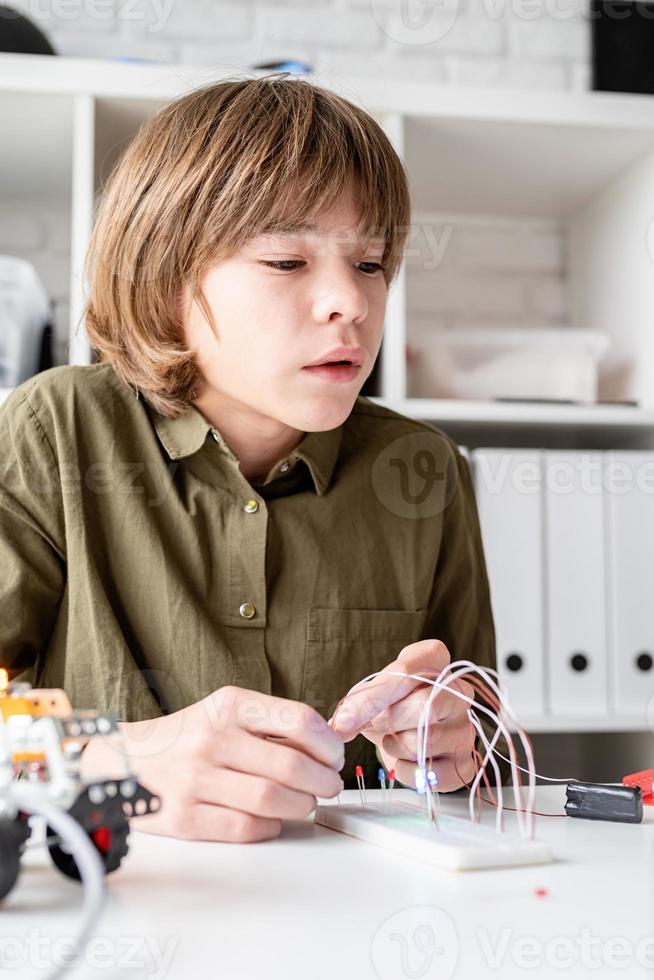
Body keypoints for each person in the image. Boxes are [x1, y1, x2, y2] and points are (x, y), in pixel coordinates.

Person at [0, 75, 504, 844]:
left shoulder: (422, 466)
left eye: (370, 263)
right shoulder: (54, 429)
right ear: (164, 278)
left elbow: (485, 755)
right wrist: (113, 759)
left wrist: (454, 747)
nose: (351, 303)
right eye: (285, 262)